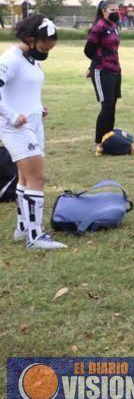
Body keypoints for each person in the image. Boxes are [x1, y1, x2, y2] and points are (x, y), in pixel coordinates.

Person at [2, 15, 65, 250]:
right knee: (38, 178)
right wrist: (11, 115)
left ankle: (22, 228)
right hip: (16, 127)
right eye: (43, 46)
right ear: (29, 39)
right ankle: (35, 236)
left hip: (33, 123)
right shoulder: (11, 59)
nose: (46, 51)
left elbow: (23, 89)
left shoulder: (30, 58)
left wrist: (38, 108)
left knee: (26, 178)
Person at [85, 0, 122, 155]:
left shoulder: (114, 27)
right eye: (112, 9)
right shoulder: (98, 27)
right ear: (103, 11)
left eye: (117, 9)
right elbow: (89, 50)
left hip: (115, 69)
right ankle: (99, 141)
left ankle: (109, 138)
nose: (116, 12)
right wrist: (94, 65)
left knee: (112, 106)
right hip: (102, 70)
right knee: (106, 106)